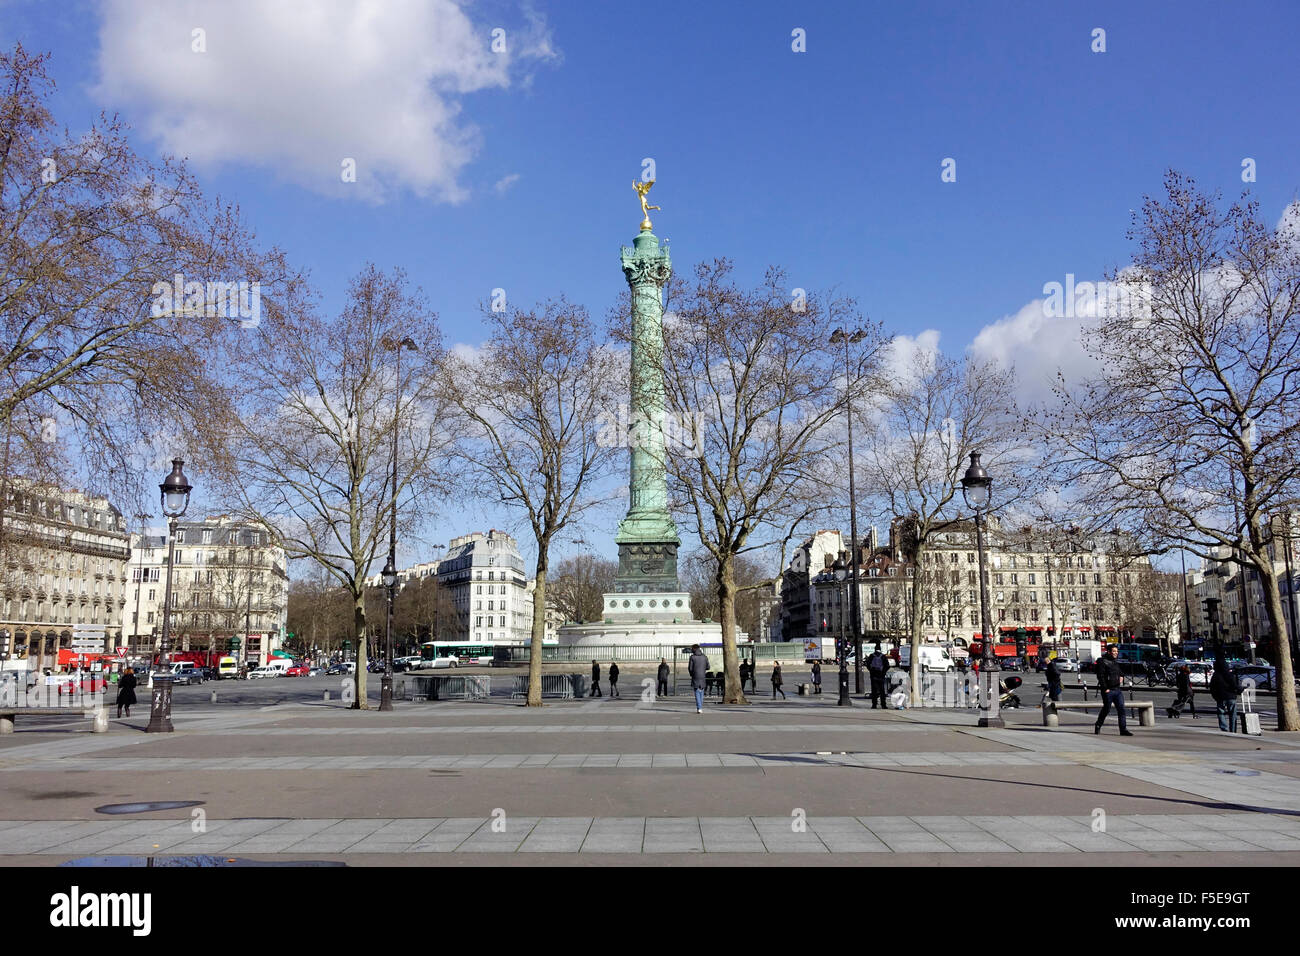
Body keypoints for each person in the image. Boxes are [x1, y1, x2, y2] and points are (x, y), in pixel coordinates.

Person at [1093, 644, 1133, 736]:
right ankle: (1098, 724)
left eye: (1117, 651)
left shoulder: (1115, 662)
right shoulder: (1102, 662)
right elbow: (1101, 676)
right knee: (1106, 709)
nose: (1116, 653)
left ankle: (1123, 729)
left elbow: (1119, 671)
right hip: (1108, 690)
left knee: (1121, 709)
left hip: (1117, 689)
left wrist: (1122, 676)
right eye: (1114, 651)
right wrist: (1105, 688)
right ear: (1109, 652)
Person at [1210, 655, 1239, 732]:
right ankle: (1233, 729)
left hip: (1220, 697)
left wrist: (1215, 697)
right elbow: (1234, 685)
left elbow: (1212, 688)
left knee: (1221, 713)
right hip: (1231, 696)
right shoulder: (1229, 674)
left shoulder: (1215, 675)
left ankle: (1224, 728)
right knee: (1233, 714)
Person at [687, 644, 709, 713]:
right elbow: (708, 667)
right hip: (703, 676)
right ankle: (700, 707)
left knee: (696, 691)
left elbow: (690, 668)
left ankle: (699, 707)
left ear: (694, 649)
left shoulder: (692, 657)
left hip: (695, 675)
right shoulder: (704, 657)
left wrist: (691, 674)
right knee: (701, 691)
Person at [867, 644, 889, 709]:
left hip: (874, 676)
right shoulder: (883, 656)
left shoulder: (871, 656)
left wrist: (871, 671)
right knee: (882, 691)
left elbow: (868, 665)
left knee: (874, 691)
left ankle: (874, 704)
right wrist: (883, 672)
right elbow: (887, 666)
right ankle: (883, 704)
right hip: (881, 676)